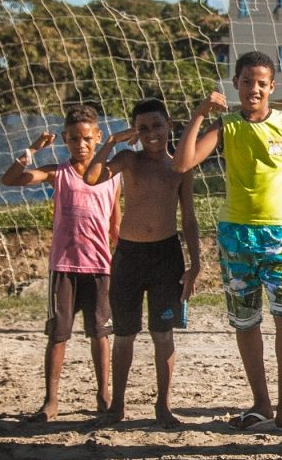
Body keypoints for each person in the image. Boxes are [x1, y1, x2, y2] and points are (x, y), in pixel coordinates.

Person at [172, 51, 282, 434]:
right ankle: (260, 404)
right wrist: (200, 113)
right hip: (235, 236)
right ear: (236, 83)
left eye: (262, 82)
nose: (254, 88)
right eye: (247, 81)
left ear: (272, 86)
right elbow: (182, 164)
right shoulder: (226, 125)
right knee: (246, 320)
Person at [0, 106, 121, 422]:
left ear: (98, 137)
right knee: (58, 335)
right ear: (65, 141)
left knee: (100, 333)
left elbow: (115, 225)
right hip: (64, 266)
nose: (80, 145)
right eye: (73, 139)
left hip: (99, 267)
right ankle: (51, 401)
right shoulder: (58, 172)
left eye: (86, 138)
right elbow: (10, 179)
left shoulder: (111, 175)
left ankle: (103, 395)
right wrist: (33, 149)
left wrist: (117, 258)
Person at [85, 98, 201, 428]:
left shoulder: (180, 166)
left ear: (171, 127)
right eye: (143, 128)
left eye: (157, 126)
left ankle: (163, 407)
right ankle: (117, 404)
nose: (151, 133)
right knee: (124, 334)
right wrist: (109, 142)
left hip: (166, 258)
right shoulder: (128, 160)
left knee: (163, 334)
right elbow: (92, 178)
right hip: (129, 257)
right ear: (134, 132)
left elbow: (189, 218)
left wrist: (195, 263)